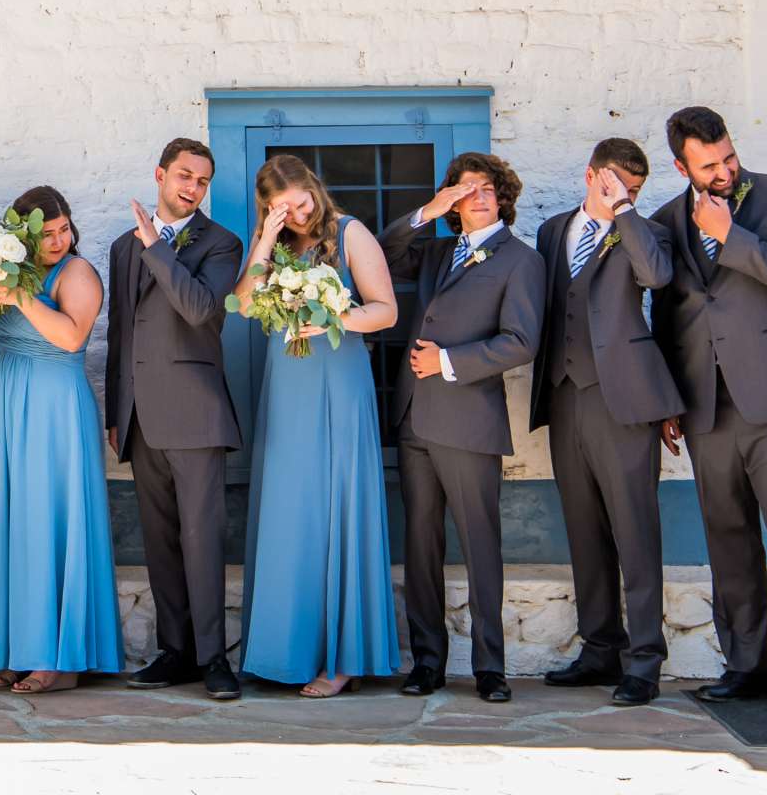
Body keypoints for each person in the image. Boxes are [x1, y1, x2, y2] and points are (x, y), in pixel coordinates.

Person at [651, 106, 767, 717]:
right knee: (728, 540)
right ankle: (748, 667)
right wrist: (668, 401)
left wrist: (731, 235)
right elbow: (669, 317)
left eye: (728, 157)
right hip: (708, 406)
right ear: (682, 166)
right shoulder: (666, 221)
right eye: (708, 164)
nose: (724, 170)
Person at [380, 153, 547, 703]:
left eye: (487, 188)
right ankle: (427, 662)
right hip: (414, 419)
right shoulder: (435, 250)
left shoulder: (520, 260)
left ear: (502, 197)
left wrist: (448, 362)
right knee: (420, 545)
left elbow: (521, 341)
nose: (477, 195)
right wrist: (429, 209)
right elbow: (384, 254)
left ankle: (489, 667)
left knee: (480, 545)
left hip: (469, 419)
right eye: (465, 188)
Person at [234, 155, 401, 697]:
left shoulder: (351, 233)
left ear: (314, 189)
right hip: (288, 386)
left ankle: (340, 658)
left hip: (338, 380)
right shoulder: (278, 246)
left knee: (335, 509)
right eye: (282, 208)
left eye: (301, 202)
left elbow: (386, 311)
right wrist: (265, 240)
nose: (298, 214)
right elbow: (242, 304)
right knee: (290, 510)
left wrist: (331, 317)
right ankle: (283, 652)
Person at [529, 137, 683, 708]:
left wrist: (624, 211)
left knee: (635, 531)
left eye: (635, 189)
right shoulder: (551, 232)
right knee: (585, 529)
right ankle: (599, 649)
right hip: (565, 394)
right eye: (616, 184)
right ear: (591, 174)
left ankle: (644, 660)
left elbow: (657, 277)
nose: (626, 194)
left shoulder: (645, 232)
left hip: (625, 399)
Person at [105, 137, 246, 701]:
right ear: (161, 174)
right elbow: (119, 332)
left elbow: (200, 309)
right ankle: (176, 651)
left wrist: (157, 248)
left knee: (202, 537)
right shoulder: (121, 248)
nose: (193, 188)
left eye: (202, 181)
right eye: (185, 176)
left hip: (196, 414)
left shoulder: (221, 243)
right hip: (140, 417)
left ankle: (215, 657)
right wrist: (117, 410)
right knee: (160, 541)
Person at [0, 186, 123, 694]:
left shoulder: (76, 272)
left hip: (55, 404)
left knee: (48, 519)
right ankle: (20, 647)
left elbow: (72, 335)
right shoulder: (8, 270)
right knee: (14, 520)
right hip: (6, 402)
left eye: (64, 229)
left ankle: (59, 658)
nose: (59, 240)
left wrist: (19, 296)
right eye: (47, 233)